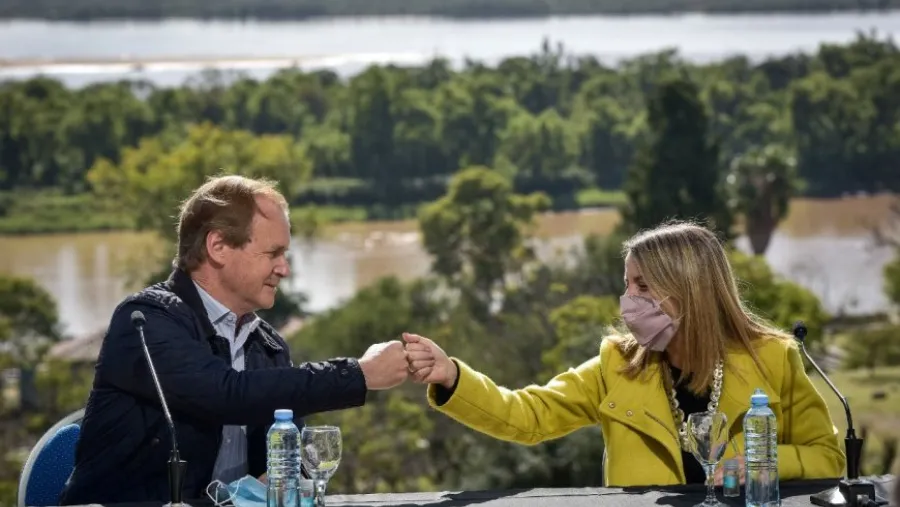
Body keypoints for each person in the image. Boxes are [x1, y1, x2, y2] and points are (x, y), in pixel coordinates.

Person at [404, 221, 846, 487]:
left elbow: (828, 457)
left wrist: (765, 462)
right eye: (627, 284)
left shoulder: (775, 359)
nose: (627, 299)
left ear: (689, 291)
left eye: (643, 286)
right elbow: (528, 416)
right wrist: (452, 377)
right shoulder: (617, 363)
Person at [60, 175, 410, 504]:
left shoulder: (268, 346)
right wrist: (357, 374)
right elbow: (223, 394)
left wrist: (275, 481)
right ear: (219, 246)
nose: (284, 268)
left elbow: (291, 457)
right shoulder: (144, 321)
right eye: (273, 253)